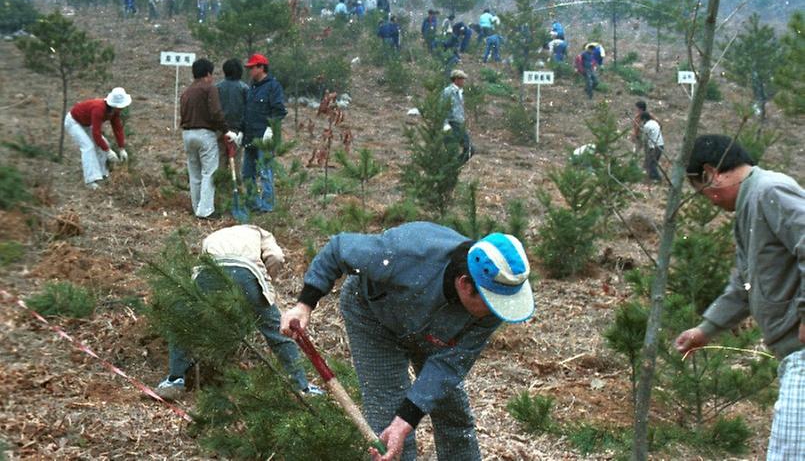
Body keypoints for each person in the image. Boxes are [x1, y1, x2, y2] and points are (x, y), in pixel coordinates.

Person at [280, 224, 535, 461]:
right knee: (388, 421)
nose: (497, 314)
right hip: (372, 316)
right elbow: (338, 249)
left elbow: (448, 367)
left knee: (452, 412)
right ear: (465, 284)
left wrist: (408, 418)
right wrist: (305, 304)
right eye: (491, 305)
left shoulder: (493, 303)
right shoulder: (406, 254)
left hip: (435, 329)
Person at [674, 134, 804, 460]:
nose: (708, 199)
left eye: (701, 189)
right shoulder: (749, 207)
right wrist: (705, 330)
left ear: (711, 173)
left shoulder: (769, 191)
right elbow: (743, 287)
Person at [154, 224, 324, 400]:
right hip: (245, 272)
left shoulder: (213, 236)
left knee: (184, 325)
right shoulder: (260, 232)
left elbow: (204, 261)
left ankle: (175, 380)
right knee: (277, 332)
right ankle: (302, 387)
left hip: (207, 272)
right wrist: (266, 284)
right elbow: (276, 257)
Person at [180, 58, 237, 219]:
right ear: (208, 73)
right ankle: (205, 210)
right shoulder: (209, 88)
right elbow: (216, 112)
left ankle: (196, 206)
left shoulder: (186, 92)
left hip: (187, 133)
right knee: (209, 172)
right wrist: (226, 130)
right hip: (205, 134)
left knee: (195, 173)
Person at [241, 53, 286, 212]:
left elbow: (279, 111)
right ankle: (253, 203)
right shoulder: (251, 88)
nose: (250, 71)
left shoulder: (273, 86)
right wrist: (241, 131)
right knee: (247, 173)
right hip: (250, 137)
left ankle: (267, 206)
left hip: (265, 138)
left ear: (261, 67)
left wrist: (271, 129)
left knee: (265, 173)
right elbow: (246, 112)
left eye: (252, 67)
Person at [64, 87, 131, 190]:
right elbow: (96, 133)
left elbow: (117, 128)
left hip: (86, 123)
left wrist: (122, 148)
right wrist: (108, 151)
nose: (122, 108)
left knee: (104, 144)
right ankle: (90, 181)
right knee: (88, 147)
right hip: (74, 122)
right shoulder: (99, 109)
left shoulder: (114, 111)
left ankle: (102, 175)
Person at [216, 59, 249, 177]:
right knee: (237, 161)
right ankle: (237, 188)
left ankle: (220, 188)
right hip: (237, 130)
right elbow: (248, 110)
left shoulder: (217, 87)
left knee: (220, 159)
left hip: (220, 129)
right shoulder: (244, 88)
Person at [442, 69, 474, 163]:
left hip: (459, 124)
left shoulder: (460, 92)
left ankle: (455, 166)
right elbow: (442, 108)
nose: (464, 81)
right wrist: (445, 124)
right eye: (462, 79)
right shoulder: (447, 92)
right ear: (456, 80)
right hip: (452, 124)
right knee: (452, 151)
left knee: (470, 149)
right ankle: (451, 168)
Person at [639, 112, 664, 182]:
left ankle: (658, 178)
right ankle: (651, 178)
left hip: (655, 146)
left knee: (651, 163)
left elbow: (644, 138)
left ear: (644, 119)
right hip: (661, 145)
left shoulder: (646, 126)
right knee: (653, 163)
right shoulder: (654, 122)